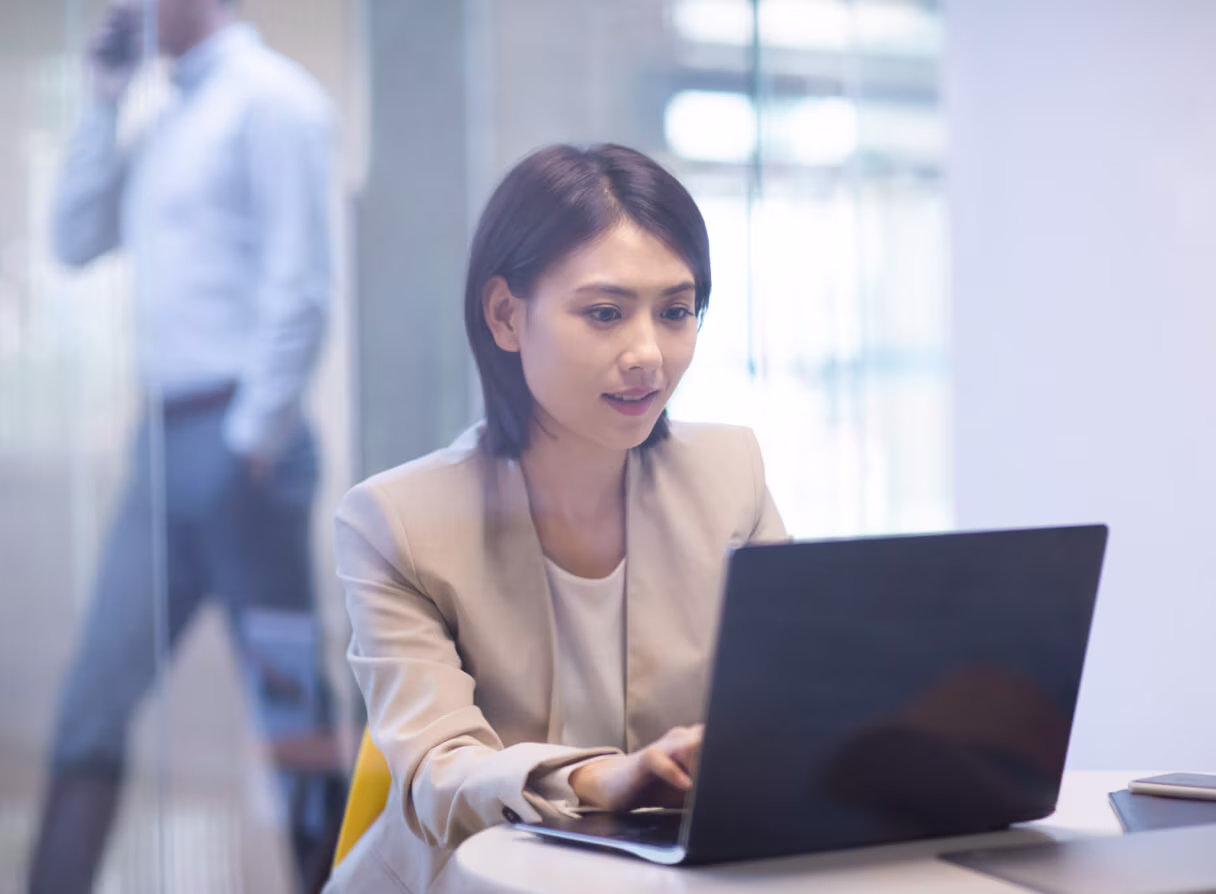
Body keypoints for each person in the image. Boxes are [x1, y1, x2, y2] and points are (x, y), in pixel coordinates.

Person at [324, 144, 787, 893]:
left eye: (676, 311)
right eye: (605, 314)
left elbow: (792, 706)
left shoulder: (730, 473)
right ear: (507, 317)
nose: (649, 355)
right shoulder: (397, 521)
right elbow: (439, 775)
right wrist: (599, 778)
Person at [28, 1, 346, 891]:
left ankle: (336, 884)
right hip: (162, 454)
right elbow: (74, 237)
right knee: (94, 699)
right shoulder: (165, 115)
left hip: (243, 452)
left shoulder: (275, 101)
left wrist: (248, 447)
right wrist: (100, 100)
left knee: (292, 716)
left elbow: (304, 288)